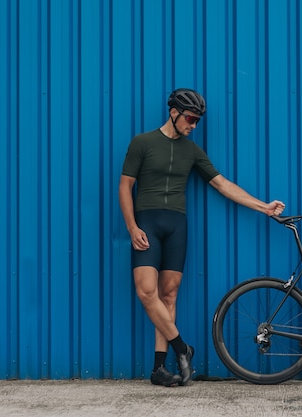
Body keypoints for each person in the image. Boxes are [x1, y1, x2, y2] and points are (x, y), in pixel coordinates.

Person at [118, 88, 286, 387]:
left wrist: (264, 208)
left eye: (197, 120)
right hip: (147, 223)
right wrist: (132, 227)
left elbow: (223, 185)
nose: (193, 125)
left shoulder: (192, 151)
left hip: (177, 225)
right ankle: (183, 348)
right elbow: (124, 186)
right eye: (190, 118)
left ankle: (159, 368)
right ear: (173, 112)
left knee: (169, 294)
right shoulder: (142, 143)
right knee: (146, 291)